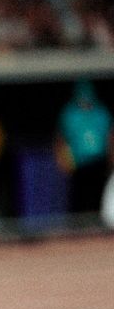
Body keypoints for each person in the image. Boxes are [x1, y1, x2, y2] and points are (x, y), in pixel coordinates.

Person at [55, 81, 113, 217]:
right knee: (79, 196)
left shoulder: (101, 113)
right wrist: (62, 159)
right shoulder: (70, 113)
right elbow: (61, 138)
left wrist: (111, 158)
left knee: (98, 195)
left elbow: (110, 137)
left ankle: (98, 224)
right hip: (79, 163)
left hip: (99, 162)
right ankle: (77, 226)